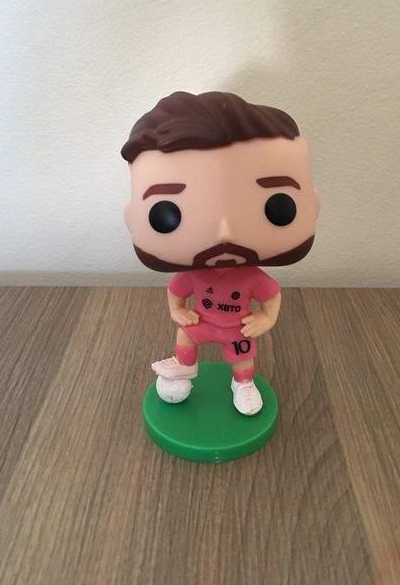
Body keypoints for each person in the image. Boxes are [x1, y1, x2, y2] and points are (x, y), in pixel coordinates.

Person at [121, 91, 319, 415]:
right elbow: (176, 292)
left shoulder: (251, 277)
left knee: (243, 358)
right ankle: (185, 368)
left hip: (237, 326)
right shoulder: (193, 275)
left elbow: (271, 296)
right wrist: (178, 312)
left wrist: (266, 318)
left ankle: (243, 383)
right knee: (185, 336)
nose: (224, 234)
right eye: (166, 211)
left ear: (314, 205)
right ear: (131, 217)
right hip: (201, 321)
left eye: (278, 206)